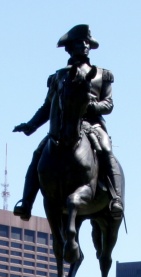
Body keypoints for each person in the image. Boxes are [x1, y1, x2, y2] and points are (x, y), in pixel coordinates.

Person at [11, 24, 124, 219]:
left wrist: (91, 107)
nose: (85, 46)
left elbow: (108, 104)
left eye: (87, 43)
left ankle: (115, 198)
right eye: (80, 43)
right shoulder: (59, 77)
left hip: (92, 125)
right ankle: (26, 202)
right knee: (38, 154)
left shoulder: (101, 74)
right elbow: (48, 106)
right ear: (70, 48)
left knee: (105, 149)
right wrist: (31, 125)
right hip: (64, 126)